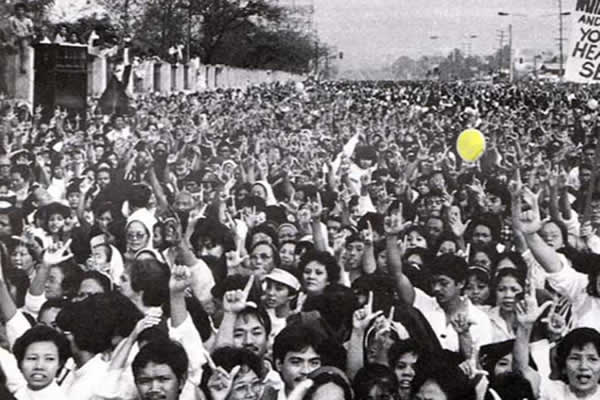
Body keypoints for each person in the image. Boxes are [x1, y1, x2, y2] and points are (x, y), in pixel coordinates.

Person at [8, 3, 33, 74]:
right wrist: (17, 34)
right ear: (15, 11)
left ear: (24, 11)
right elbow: (11, 29)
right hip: (15, 35)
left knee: (24, 45)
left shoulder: (28, 21)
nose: (20, 12)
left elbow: (32, 32)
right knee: (10, 43)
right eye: (18, 10)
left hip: (25, 37)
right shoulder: (12, 19)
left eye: (22, 10)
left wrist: (25, 35)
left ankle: (23, 65)